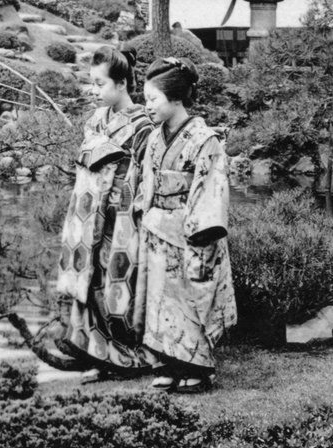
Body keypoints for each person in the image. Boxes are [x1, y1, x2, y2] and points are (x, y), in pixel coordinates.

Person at [133, 56, 236, 394]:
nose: (147, 106)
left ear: (175, 97)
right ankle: (163, 363)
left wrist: (197, 232)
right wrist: (142, 213)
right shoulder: (153, 138)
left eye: (152, 99)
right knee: (157, 299)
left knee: (189, 298)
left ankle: (196, 366)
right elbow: (144, 182)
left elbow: (210, 189)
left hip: (189, 231)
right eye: (146, 99)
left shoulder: (205, 140)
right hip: (156, 228)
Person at [56, 46, 153, 380]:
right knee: (90, 280)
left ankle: (126, 356)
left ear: (122, 83)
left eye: (100, 84)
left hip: (122, 216)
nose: (93, 91)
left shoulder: (143, 125)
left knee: (119, 282)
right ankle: (95, 353)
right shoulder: (97, 120)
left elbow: (146, 176)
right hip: (88, 215)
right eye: (92, 84)